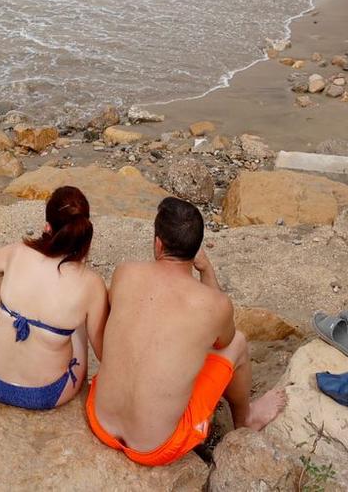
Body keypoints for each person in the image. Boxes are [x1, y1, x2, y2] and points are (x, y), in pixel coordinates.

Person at [86, 198, 284, 467]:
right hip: (155, 448)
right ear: (196, 251)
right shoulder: (215, 306)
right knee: (237, 342)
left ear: (158, 243)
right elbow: (222, 340)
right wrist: (206, 270)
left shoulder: (125, 272)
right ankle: (245, 419)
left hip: (100, 423)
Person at [0, 187, 108, 411]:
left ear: (48, 227)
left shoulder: (18, 252)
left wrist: (6, 310)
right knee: (78, 322)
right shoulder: (91, 284)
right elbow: (102, 352)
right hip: (44, 395)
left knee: (20, 313)